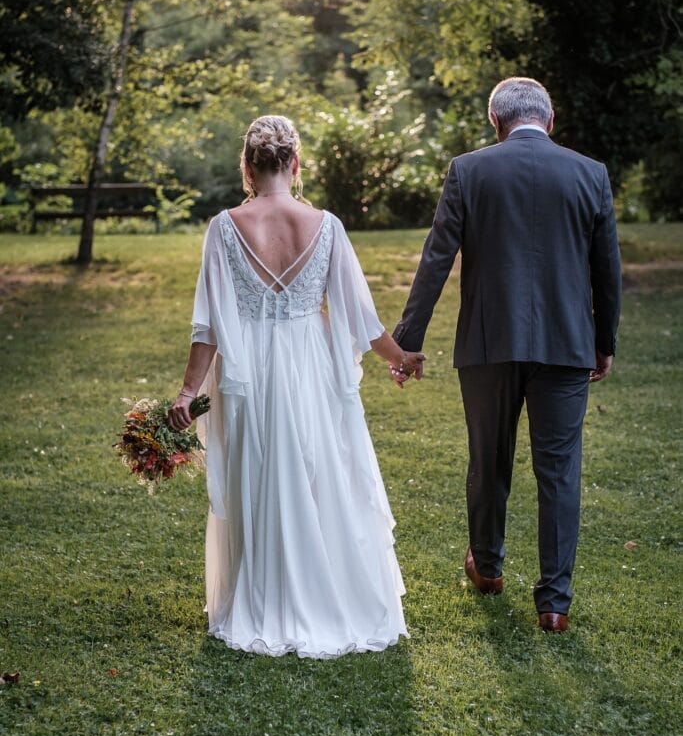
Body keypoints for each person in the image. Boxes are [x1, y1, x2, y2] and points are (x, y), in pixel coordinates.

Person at [167, 114, 423, 658]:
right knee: (317, 470)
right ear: (295, 163)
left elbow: (208, 325)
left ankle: (265, 593)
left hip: (249, 367)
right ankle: (331, 593)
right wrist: (398, 358)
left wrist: (188, 393)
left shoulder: (224, 227)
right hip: (309, 361)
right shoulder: (326, 225)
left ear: (247, 166)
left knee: (259, 474)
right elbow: (360, 316)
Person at [393, 77, 621, 632]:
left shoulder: (470, 170)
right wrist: (604, 342)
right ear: (550, 118)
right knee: (560, 472)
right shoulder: (590, 174)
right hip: (567, 345)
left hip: (489, 343)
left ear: (496, 120)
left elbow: (436, 258)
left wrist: (409, 340)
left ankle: (489, 569)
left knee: (488, 459)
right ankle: (555, 603)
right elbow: (606, 271)